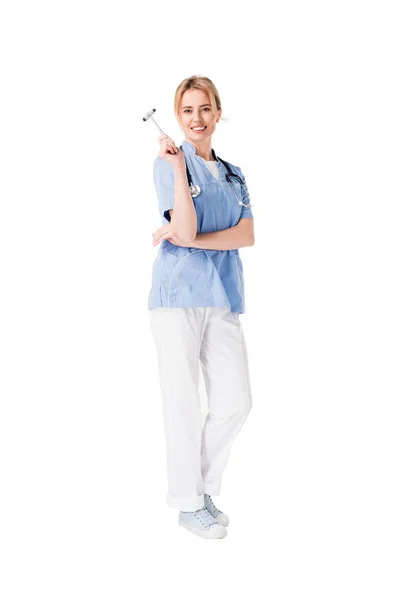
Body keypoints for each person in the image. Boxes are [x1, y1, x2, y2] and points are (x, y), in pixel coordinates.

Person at [148, 75, 255, 539]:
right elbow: (186, 231)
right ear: (179, 116)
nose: (197, 119)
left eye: (205, 109)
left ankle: (204, 490)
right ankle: (189, 504)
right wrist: (176, 172)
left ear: (217, 112)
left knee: (236, 401)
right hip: (177, 296)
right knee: (184, 401)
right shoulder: (168, 166)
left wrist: (191, 239)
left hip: (223, 296)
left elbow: (247, 236)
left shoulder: (234, 174)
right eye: (188, 111)